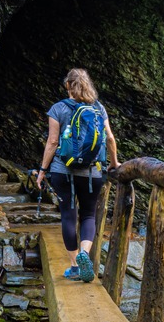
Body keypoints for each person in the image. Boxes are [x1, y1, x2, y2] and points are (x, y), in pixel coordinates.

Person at [36, 68, 121, 282]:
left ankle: (75, 266)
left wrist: (42, 171)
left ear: (68, 86)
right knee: (89, 215)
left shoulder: (58, 109)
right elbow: (109, 138)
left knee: (68, 215)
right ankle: (85, 253)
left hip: (63, 171)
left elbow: (53, 142)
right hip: (93, 173)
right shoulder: (99, 108)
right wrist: (114, 163)